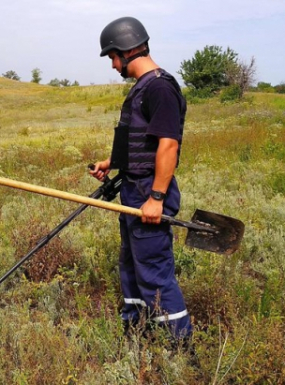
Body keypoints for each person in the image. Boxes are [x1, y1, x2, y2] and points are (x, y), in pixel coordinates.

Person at [90, 16, 192, 346]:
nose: (112, 65)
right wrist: (113, 163)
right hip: (133, 188)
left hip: (150, 190)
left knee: (154, 270)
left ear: (124, 51)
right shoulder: (142, 88)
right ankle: (136, 330)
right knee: (132, 265)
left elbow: (168, 144)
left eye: (112, 57)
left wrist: (157, 197)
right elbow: (141, 140)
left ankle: (180, 347)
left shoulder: (160, 87)